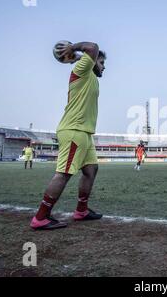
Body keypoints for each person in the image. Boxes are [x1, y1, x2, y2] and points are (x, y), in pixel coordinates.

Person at [30, 41, 106, 230]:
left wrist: (79, 56)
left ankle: (81, 211)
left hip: (84, 133)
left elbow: (91, 54)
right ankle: (40, 217)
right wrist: (74, 48)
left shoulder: (91, 76)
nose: (104, 66)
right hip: (73, 130)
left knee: (91, 170)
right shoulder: (81, 70)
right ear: (93, 61)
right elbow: (93, 47)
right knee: (63, 174)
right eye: (102, 62)